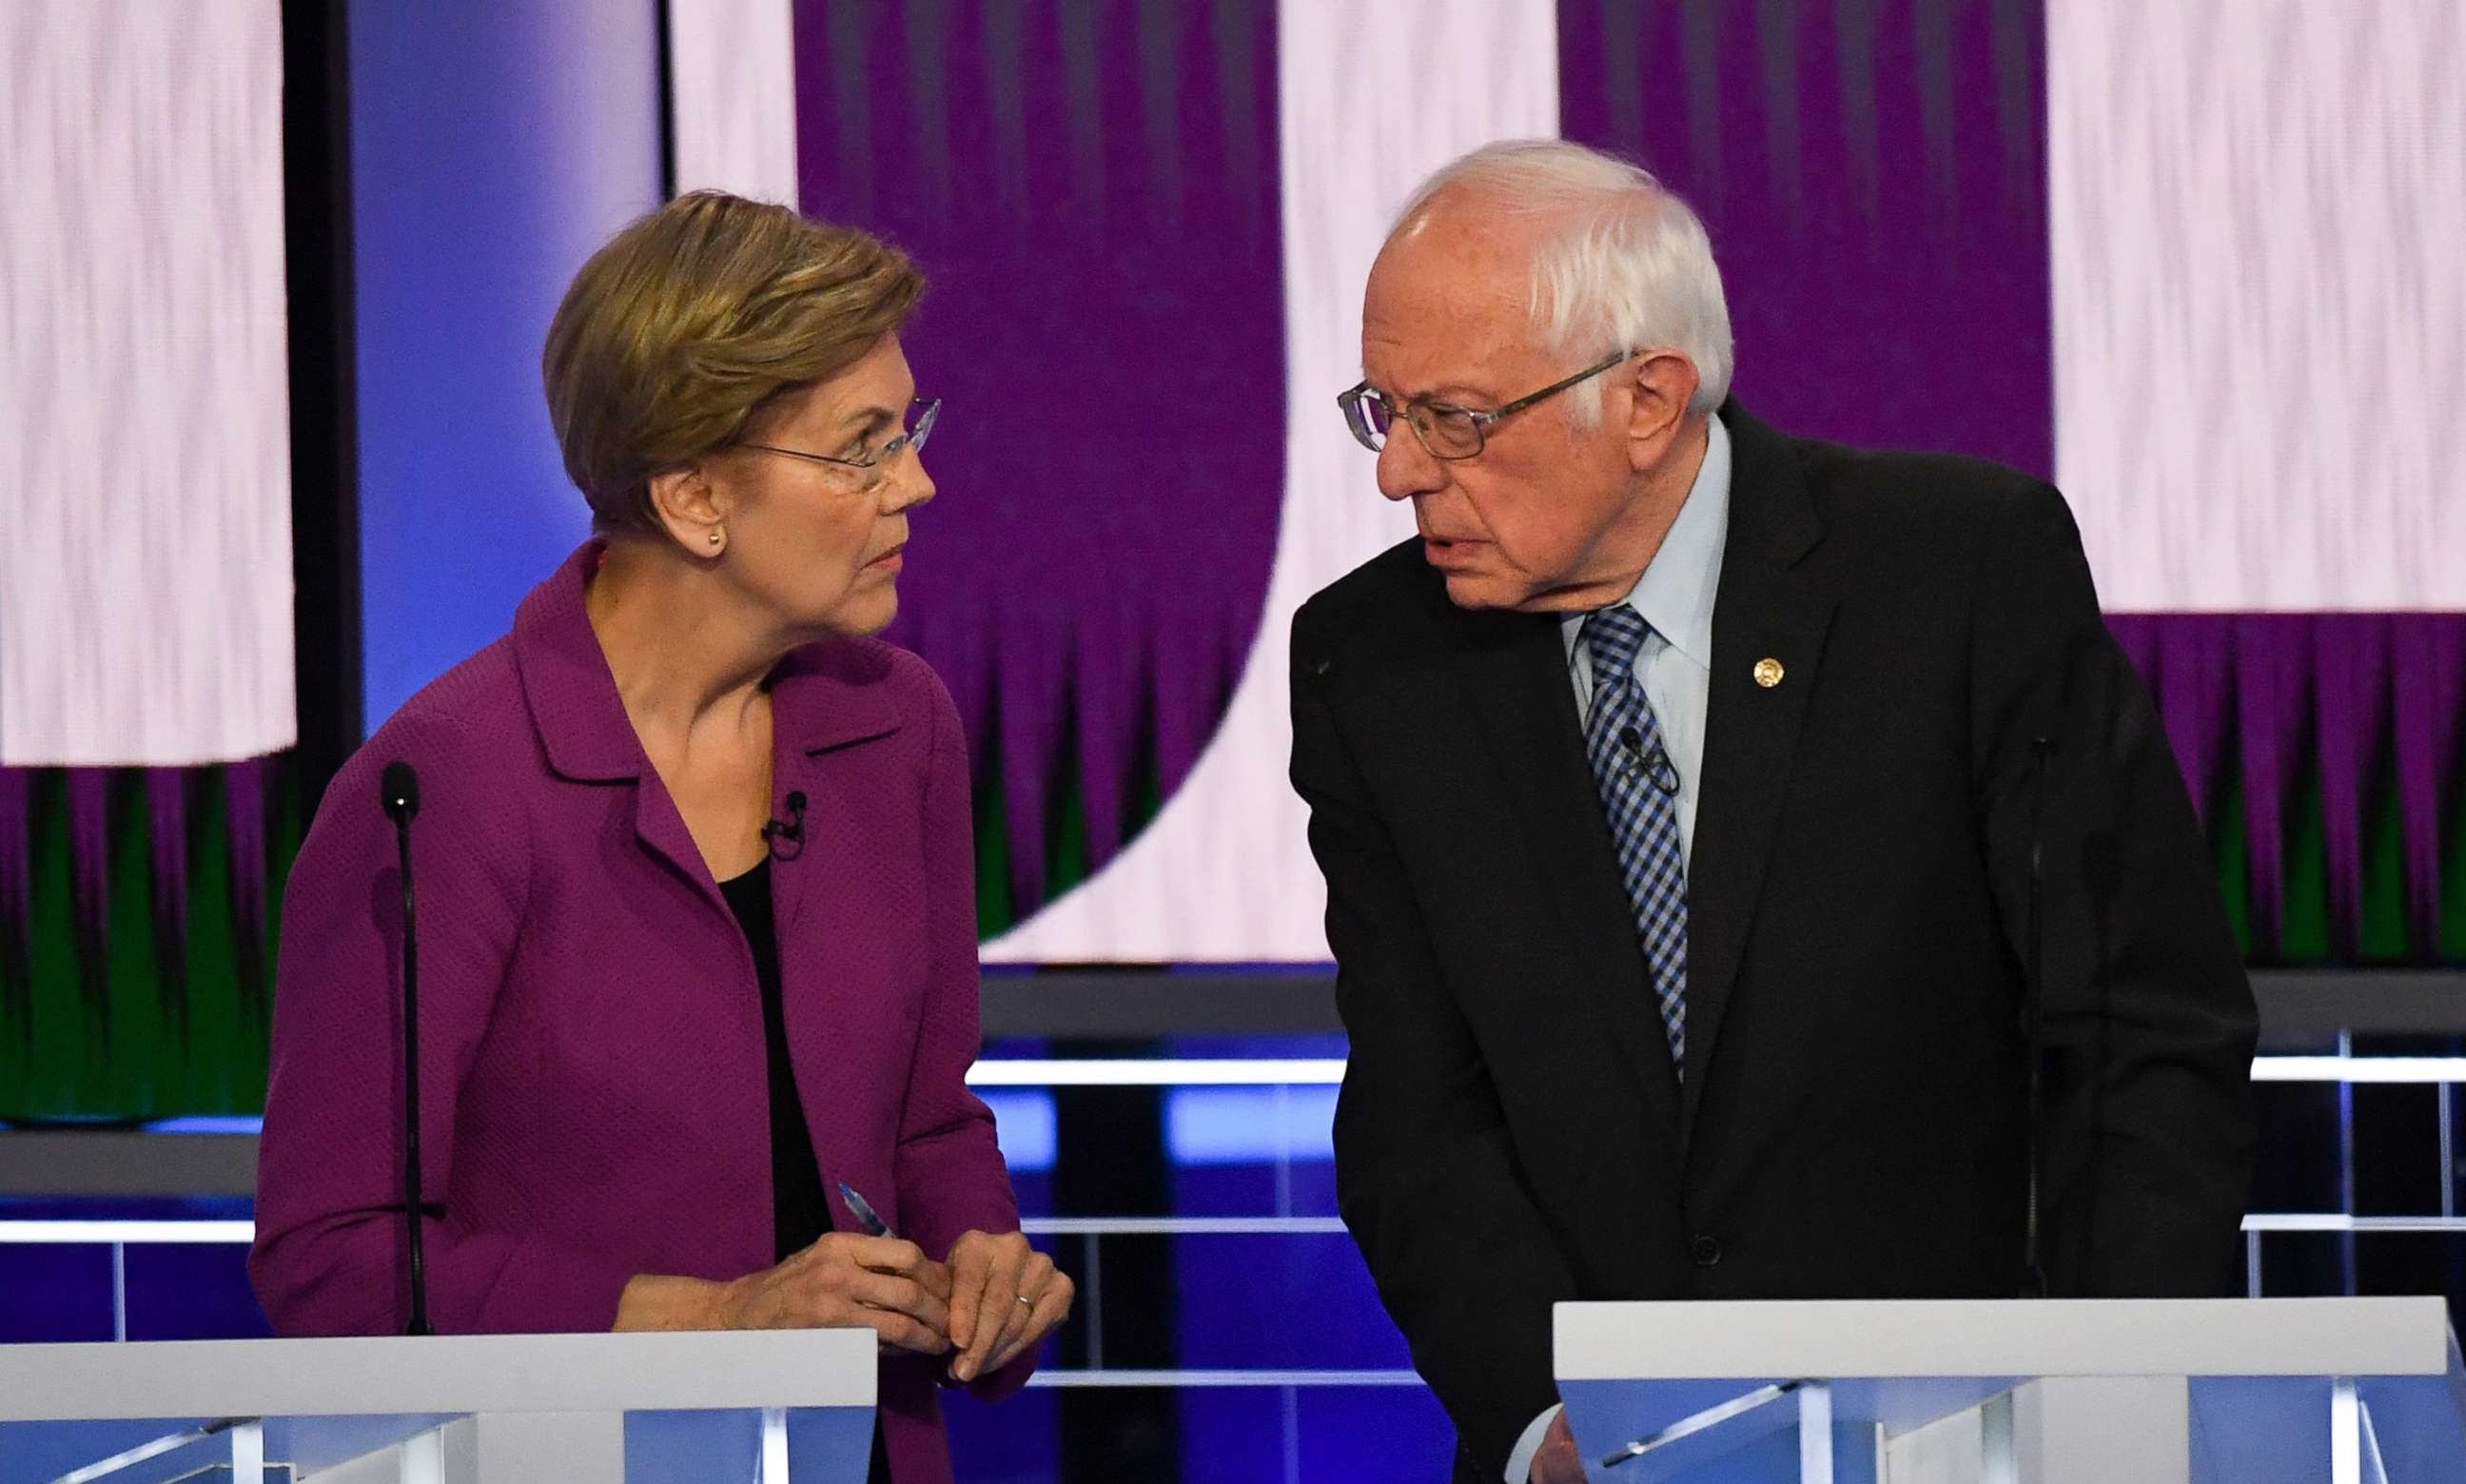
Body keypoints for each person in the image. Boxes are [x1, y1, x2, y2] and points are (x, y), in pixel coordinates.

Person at [1288, 140, 2256, 1484]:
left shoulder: (1961, 576)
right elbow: (1417, 1118)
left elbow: (2139, 1036)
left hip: (1969, 1444)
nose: (1399, 474)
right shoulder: (1370, 664)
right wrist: (1537, 1427)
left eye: (1454, 419)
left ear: (1646, 399)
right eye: (1379, 410)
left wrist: (2094, 1405)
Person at [252, 190, 1071, 1484]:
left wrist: (981, 1253)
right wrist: (715, 1321)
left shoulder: (893, 728)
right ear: (693, 496)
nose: (917, 481)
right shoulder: (447, 785)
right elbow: (338, 1255)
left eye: (906, 428)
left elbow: (923, 1124)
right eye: (861, 447)